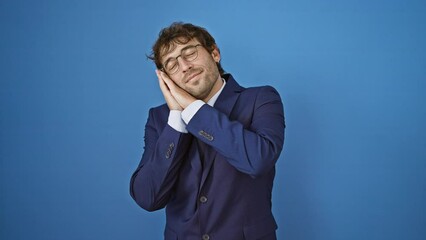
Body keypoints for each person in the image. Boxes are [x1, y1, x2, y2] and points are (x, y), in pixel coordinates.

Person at [130, 22, 285, 240]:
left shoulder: (261, 99)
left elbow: (258, 160)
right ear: (166, 80)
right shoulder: (159, 119)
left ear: (214, 53)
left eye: (190, 53)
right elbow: (148, 197)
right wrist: (176, 119)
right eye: (172, 65)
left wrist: (193, 108)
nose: (184, 66)